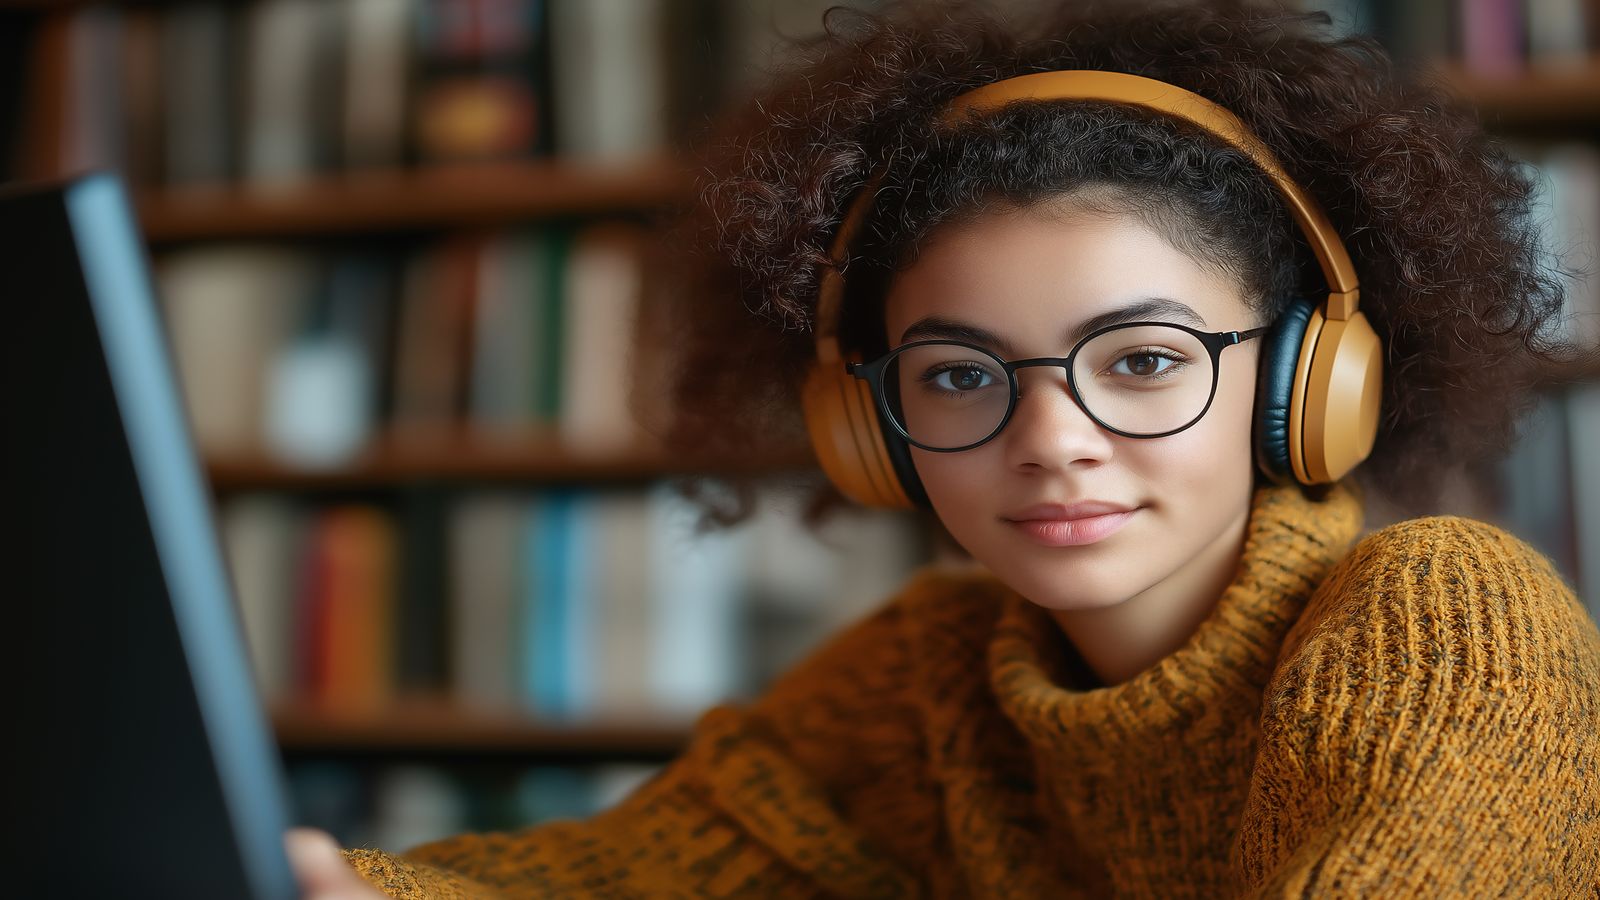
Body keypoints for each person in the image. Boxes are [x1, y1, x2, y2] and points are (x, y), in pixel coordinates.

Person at [287, 0, 1600, 896]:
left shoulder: (1448, 626)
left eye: (1142, 362)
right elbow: (610, 877)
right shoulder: (930, 677)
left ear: (1309, 378)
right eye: (963, 375)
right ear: (871, 425)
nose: (1050, 442)